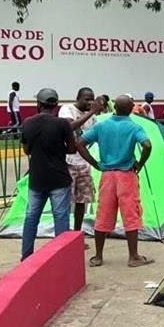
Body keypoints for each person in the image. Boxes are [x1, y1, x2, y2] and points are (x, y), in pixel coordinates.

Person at [77, 95, 154, 268]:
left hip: (107, 175)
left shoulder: (102, 126)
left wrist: (96, 164)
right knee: (130, 214)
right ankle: (133, 256)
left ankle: (98, 256)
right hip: (126, 175)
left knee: (103, 213)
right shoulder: (134, 127)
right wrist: (139, 164)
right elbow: (147, 145)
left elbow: (80, 143)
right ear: (129, 109)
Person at [19, 88, 76, 261]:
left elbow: (26, 149)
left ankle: (26, 256)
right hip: (59, 178)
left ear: (39, 104)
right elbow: (72, 148)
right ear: (55, 105)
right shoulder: (62, 124)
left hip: (37, 179)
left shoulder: (28, 122)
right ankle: (61, 258)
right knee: (60, 217)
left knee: (31, 217)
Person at [58, 88, 105, 238]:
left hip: (84, 164)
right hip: (67, 163)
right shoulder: (67, 109)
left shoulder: (93, 119)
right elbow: (70, 126)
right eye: (86, 99)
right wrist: (91, 112)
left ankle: (77, 234)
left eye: (92, 99)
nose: (89, 102)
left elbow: (93, 138)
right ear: (78, 98)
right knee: (64, 202)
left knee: (81, 201)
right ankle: (63, 235)